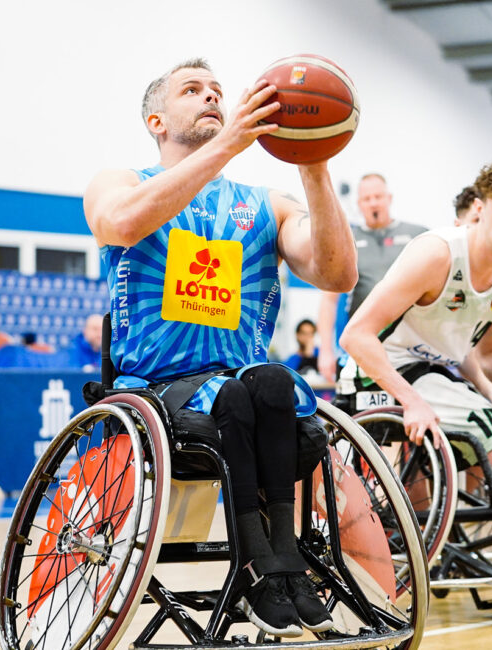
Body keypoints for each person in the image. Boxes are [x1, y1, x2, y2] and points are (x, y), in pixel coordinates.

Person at [83, 58, 357, 637]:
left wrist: (314, 165)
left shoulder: (265, 201)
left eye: (217, 91)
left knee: (275, 383)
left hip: (254, 385)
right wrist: (229, 146)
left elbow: (336, 274)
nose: (211, 96)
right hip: (158, 390)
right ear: (156, 120)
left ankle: (287, 562)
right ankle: (258, 565)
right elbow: (120, 225)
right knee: (236, 396)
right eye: (192, 90)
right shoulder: (122, 181)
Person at [340, 155, 492, 575]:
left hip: (432, 373)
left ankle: (436, 551)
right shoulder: (436, 253)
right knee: (486, 424)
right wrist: (410, 400)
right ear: (480, 208)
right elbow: (355, 336)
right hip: (376, 371)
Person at [317, 174, 427, 381]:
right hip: (363, 344)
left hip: (409, 345)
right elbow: (328, 300)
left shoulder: (417, 236)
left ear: (389, 198)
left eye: (378, 196)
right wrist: (325, 350)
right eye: (367, 199)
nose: (373, 203)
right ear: (359, 204)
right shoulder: (347, 241)